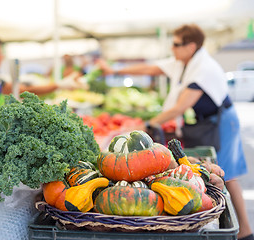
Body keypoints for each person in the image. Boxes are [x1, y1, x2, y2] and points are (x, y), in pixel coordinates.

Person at [97, 24, 253, 240]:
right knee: (223, 174)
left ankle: (245, 231)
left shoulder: (203, 68)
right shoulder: (185, 62)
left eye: (176, 44)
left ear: (191, 46)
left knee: (229, 175)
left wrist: (149, 123)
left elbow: (180, 107)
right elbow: (152, 69)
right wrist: (114, 70)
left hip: (222, 122)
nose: (172, 48)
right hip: (207, 121)